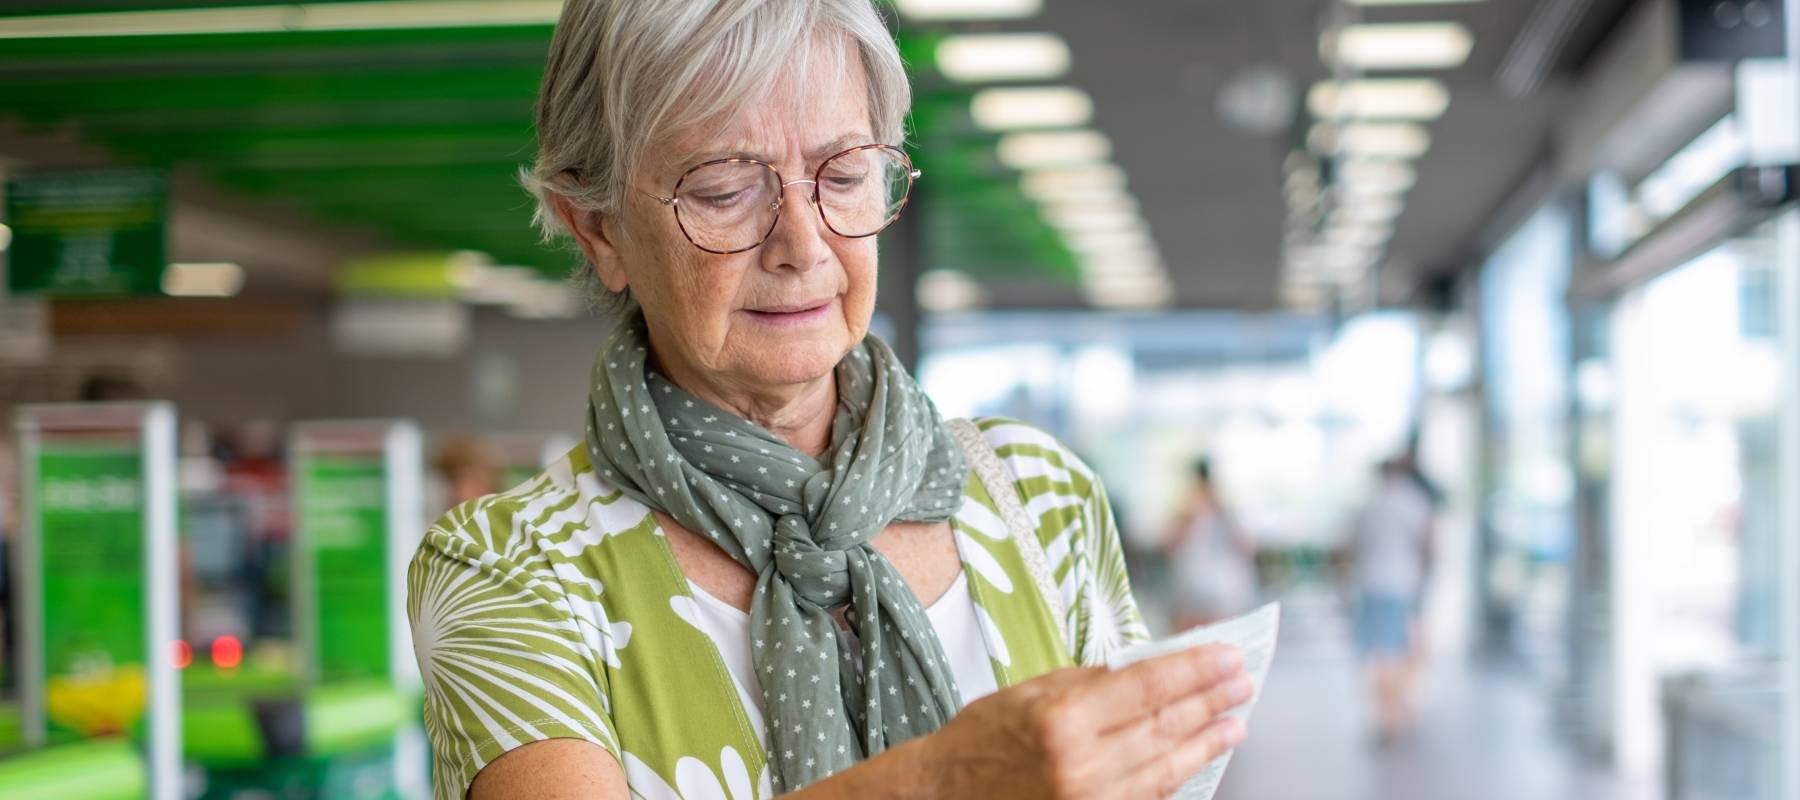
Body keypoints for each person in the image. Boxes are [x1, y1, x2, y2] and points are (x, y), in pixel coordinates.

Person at [405, 2, 1256, 798]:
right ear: (596, 228)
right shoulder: (510, 568)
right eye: (723, 190)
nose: (804, 245)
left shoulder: (1037, 495)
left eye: (843, 173)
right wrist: (943, 779)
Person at [1344, 456, 1437, 743]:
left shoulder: (1370, 505)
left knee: (1379, 654)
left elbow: (1352, 545)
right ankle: (1395, 714)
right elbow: (1430, 543)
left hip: (1371, 584)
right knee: (1398, 651)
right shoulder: (1414, 503)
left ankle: (1387, 715)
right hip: (1401, 585)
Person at [1163, 458, 1258, 629]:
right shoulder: (1192, 509)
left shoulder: (1222, 510)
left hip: (1214, 584)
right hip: (1202, 584)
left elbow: (1245, 546)